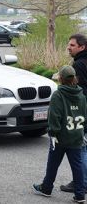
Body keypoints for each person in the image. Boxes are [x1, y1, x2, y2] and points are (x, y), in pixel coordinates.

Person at [33, 65, 87, 203]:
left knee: (53, 163)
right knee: (78, 165)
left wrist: (52, 132)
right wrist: (82, 131)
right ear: (74, 78)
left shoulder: (58, 94)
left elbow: (54, 116)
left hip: (60, 137)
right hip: (76, 136)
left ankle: (46, 188)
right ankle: (80, 194)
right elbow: (84, 115)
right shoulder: (81, 95)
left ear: (61, 79)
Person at [60, 33, 87, 193]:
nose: (68, 47)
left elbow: (79, 92)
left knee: (80, 150)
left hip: (82, 113)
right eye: (69, 44)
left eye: (72, 45)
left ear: (82, 47)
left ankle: (80, 183)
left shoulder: (79, 65)